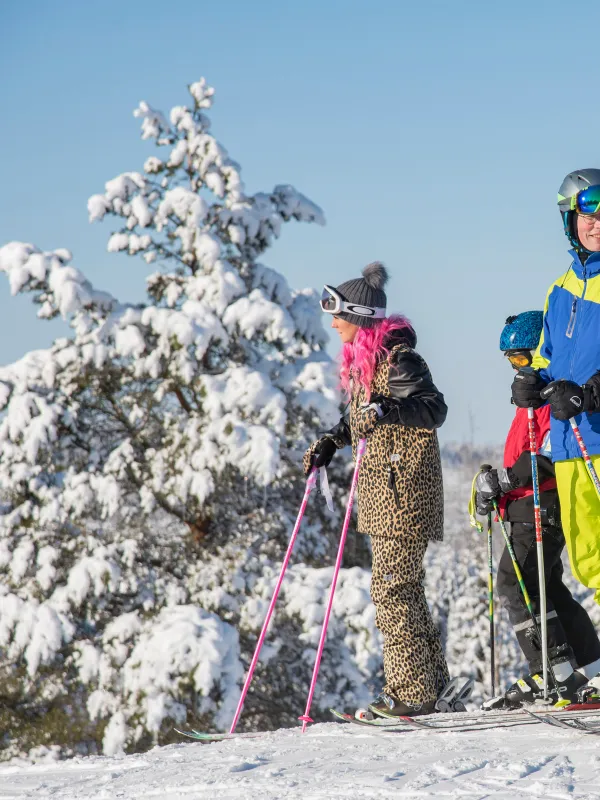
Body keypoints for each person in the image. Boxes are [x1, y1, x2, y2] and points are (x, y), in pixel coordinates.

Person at [303, 261, 449, 717]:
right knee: (403, 589)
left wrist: (387, 408)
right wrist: (332, 439)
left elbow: (433, 409)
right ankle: (434, 687)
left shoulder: (400, 360)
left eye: (338, 315)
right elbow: (361, 417)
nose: (332, 324)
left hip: (406, 492)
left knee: (391, 591)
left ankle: (411, 694)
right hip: (384, 495)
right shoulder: (369, 366)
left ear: (360, 317)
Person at [475, 312, 600, 708]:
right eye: (510, 361)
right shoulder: (529, 402)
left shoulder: (549, 397)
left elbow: (546, 457)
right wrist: (494, 488)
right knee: (550, 591)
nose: (516, 368)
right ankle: (592, 667)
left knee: (517, 586)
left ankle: (554, 670)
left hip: (540, 503)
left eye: (521, 359)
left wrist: (508, 481)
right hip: (525, 505)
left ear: (539, 353)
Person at [511, 169, 600, 699]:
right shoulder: (561, 287)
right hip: (570, 444)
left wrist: (592, 392)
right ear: (570, 221)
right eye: (588, 217)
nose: (598, 225)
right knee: (590, 556)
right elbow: (548, 358)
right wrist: (533, 381)